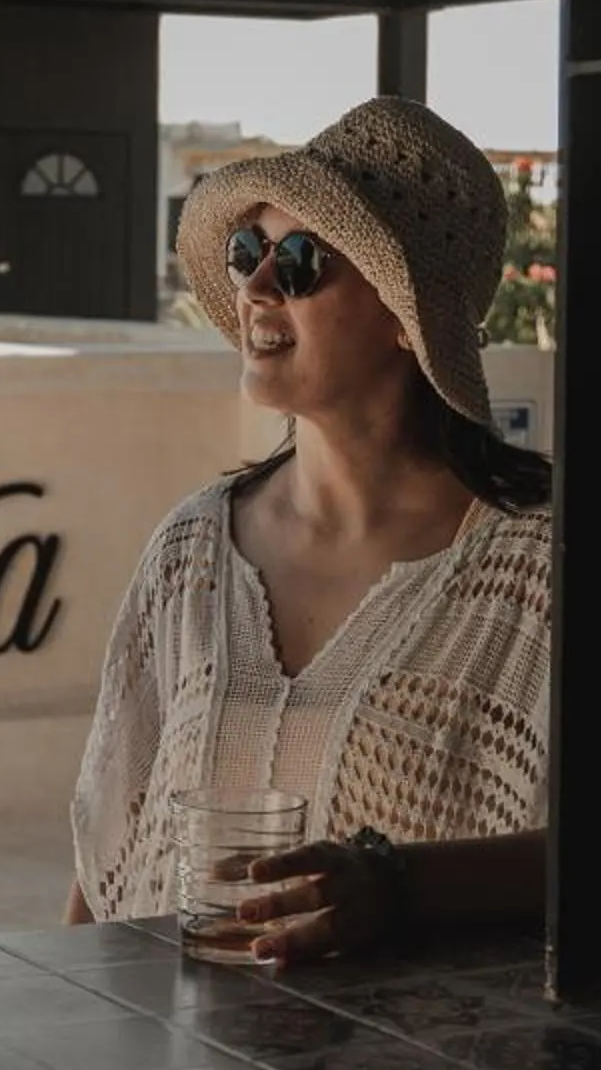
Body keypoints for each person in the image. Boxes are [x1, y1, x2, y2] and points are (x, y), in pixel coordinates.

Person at [67, 97, 551, 963]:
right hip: (186, 1041)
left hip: (422, 1046)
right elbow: (111, 845)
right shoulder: (193, 552)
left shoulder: (538, 571)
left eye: (298, 261)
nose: (254, 286)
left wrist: (395, 887)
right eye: (246, 251)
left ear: (406, 316)